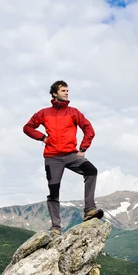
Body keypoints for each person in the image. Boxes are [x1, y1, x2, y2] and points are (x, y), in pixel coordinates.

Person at [23, 80, 103, 235]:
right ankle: (56, 227)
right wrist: (42, 138)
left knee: (91, 170)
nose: (67, 93)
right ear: (54, 93)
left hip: (71, 155)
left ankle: (89, 210)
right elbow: (27, 128)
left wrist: (83, 147)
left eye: (67, 91)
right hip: (52, 158)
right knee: (53, 191)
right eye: (63, 91)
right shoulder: (44, 113)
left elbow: (88, 129)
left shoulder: (73, 112)